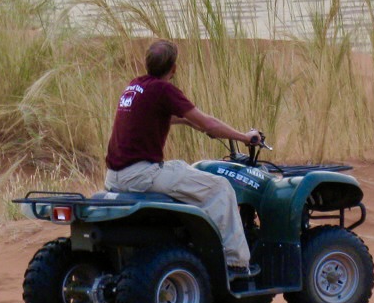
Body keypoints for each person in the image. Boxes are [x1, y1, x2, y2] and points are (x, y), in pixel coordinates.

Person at [104, 39, 260, 277]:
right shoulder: (165, 89)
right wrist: (245, 137)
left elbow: (150, 115)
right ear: (174, 68)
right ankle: (236, 264)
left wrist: (186, 121)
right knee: (220, 188)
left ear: (147, 64)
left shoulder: (135, 86)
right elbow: (208, 123)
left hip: (115, 176)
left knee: (180, 168)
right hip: (141, 175)